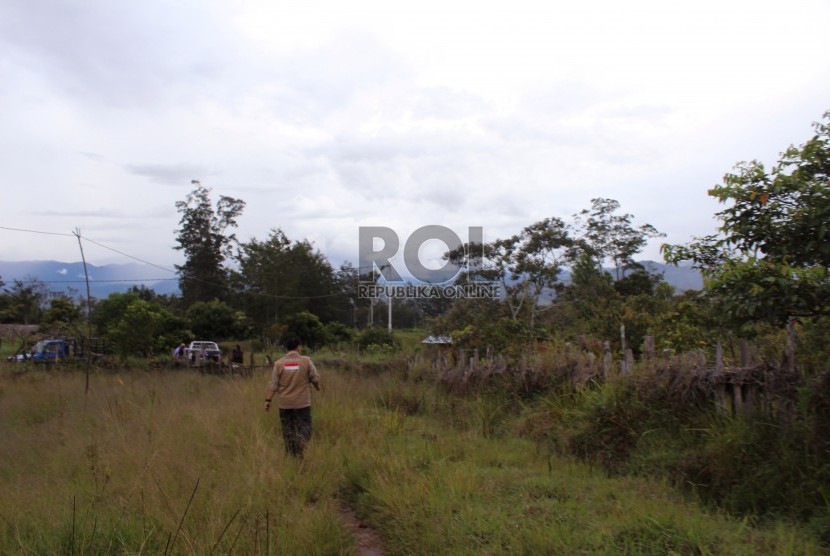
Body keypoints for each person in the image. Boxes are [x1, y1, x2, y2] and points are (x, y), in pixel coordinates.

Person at [264, 337, 320, 457]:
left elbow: (273, 384)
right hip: (302, 403)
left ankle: (292, 457)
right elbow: (315, 378)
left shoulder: (278, 364)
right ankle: (301, 441)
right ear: (298, 347)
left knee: (287, 431)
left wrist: (268, 400)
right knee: (305, 426)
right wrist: (317, 387)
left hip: (285, 404)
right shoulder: (306, 361)